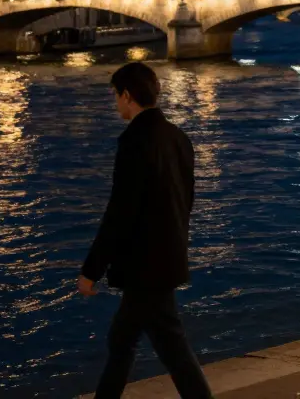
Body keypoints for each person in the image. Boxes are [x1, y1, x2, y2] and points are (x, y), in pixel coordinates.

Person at [78, 62, 212, 399]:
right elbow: (187, 200)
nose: (115, 104)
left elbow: (120, 211)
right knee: (124, 340)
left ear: (127, 95)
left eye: (115, 96)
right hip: (168, 257)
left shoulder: (134, 141)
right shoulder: (179, 137)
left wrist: (91, 270)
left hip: (143, 265)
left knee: (167, 344)